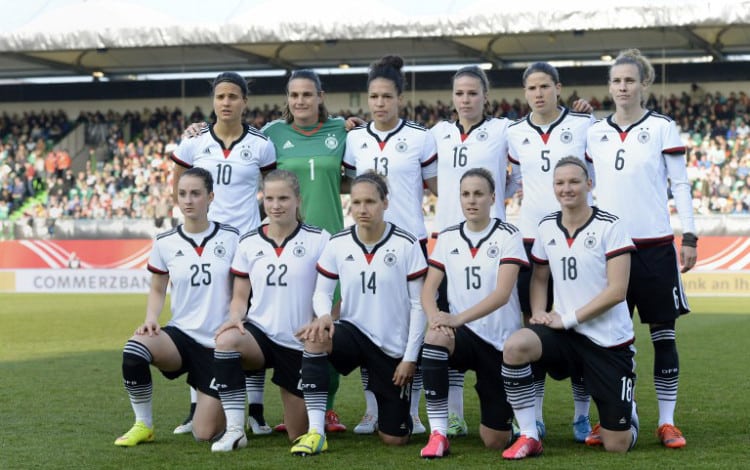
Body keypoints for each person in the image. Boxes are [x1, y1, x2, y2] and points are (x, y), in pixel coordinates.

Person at [585, 49, 698, 449]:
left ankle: (667, 422)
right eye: (616, 81)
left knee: (663, 336)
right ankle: (618, 417)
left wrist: (690, 236)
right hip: (609, 252)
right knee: (608, 342)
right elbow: (584, 188)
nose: (622, 87)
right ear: (610, 86)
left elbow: (680, 185)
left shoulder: (664, 128)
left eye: (630, 80)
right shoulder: (593, 132)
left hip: (654, 250)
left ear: (643, 84)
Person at [500, 157, 638, 459]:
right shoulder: (547, 226)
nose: (567, 188)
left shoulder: (611, 226)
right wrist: (538, 312)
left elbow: (617, 291)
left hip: (607, 341)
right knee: (515, 346)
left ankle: (630, 413)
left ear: (589, 184)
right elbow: (539, 276)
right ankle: (529, 434)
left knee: (617, 444)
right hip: (565, 335)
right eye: (560, 183)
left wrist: (569, 318)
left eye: (574, 181)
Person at [170, 72, 277, 435]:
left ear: (245, 101)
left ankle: (256, 410)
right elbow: (179, 182)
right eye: (221, 96)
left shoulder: (261, 145)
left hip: (245, 246)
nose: (227, 102)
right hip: (205, 246)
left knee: (248, 321)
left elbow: (272, 189)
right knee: (201, 320)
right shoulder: (194, 142)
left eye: (234, 96)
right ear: (213, 101)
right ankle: (195, 407)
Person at [291, 172, 427, 455]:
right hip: (352, 333)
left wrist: (410, 358)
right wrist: (324, 315)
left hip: (392, 348)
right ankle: (316, 431)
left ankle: (391, 414)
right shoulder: (338, 243)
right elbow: (322, 292)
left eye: (370, 202)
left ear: (385, 203)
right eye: (356, 202)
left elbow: (419, 305)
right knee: (316, 336)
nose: (362, 209)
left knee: (395, 439)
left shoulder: (406, 243)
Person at [343, 55, 437, 436]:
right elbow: (353, 186)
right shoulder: (355, 139)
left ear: (400, 97)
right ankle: (370, 410)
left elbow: (435, 188)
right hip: (367, 246)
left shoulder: (420, 137)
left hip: (410, 243)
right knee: (368, 326)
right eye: (373, 97)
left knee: (407, 327)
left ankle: (412, 412)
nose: (379, 103)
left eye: (386, 96)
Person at [114, 167, 238, 447]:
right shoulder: (165, 242)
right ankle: (143, 424)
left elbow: (244, 289)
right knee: (135, 348)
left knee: (204, 434)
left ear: (211, 197)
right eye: (182, 194)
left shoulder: (232, 238)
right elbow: (158, 287)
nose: (188, 200)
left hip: (218, 344)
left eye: (196, 193)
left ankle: (224, 399)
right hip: (180, 336)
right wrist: (151, 318)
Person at [506, 62, 595, 442]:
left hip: (573, 237)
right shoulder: (512, 133)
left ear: (558, 88)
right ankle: (536, 416)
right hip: (530, 241)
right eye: (532, 88)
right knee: (536, 327)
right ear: (525, 92)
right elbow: (508, 178)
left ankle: (581, 415)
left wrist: (595, 111)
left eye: (545, 86)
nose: (538, 93)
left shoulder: (582, 125)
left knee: (579, 326)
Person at [210, 170, 330, 452]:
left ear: (298, 200)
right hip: (260, 335)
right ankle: (236, 431)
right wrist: (236, 317)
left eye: (284, 198)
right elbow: (240, 297)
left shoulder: (319, 239)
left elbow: (334, 293)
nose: (276, 205)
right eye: (270, 198)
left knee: (297, 434)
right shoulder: (249, 241)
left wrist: (323, 320)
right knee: (226, 340)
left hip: (299, 341)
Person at [428, 66, 517, 437]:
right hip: (450, 244)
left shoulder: (503, 130)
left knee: (504, 327)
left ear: (485, 96)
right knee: (445, 331)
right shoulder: (438, 133)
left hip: (491, 243)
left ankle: (525, 412)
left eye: (472, 93)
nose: (465, 100)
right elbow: (424, 175)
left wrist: (499, 199)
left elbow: (528, 168)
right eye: (459, 93)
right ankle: (452, 415)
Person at [261, 70, 349, 433]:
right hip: (288, 243)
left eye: (307, 95)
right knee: (293, 326)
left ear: (320, 96)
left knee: (328, 324)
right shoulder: (272, 134)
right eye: (294, 95)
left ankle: (326, 408)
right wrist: (197, 131)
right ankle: (294, 409)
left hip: (332, 242)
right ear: (287, 97)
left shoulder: (342, 131)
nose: (300, 101)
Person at [419, 168, 527, 458]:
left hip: (500, 343)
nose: (472, 200)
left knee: (494, 440)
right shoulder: (448, 237)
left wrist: (455, 318)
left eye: (479, 194)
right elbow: (429, 290)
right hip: (462, 336)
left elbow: (502, 295)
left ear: (493, 197)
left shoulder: (509, 235)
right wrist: (436, 318)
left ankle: (510, 425)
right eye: (466, 194)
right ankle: (439, 433)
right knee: (436, 338)